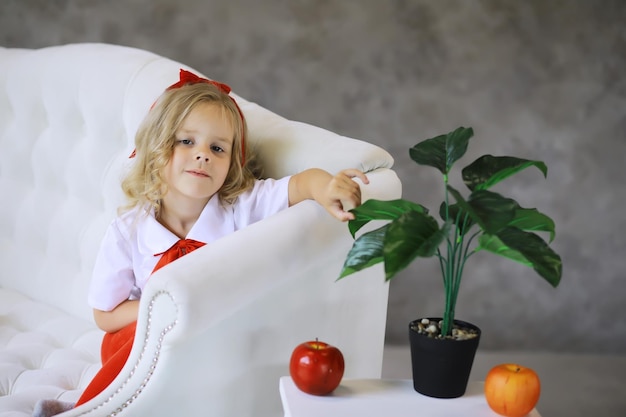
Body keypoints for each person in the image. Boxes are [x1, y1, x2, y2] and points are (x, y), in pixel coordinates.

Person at [32, 69, 368, 417]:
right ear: (157, 148)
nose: (203, 155)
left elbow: (300, 183)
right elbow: (105, 314)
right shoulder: (128, 230)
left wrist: (327, 187)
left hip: (213, 338)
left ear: (231, 163)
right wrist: (160, 313)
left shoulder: (241, 207)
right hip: (137, 346)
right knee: (144, 339)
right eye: (187, 141)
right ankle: (89, 408)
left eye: (217, 148)